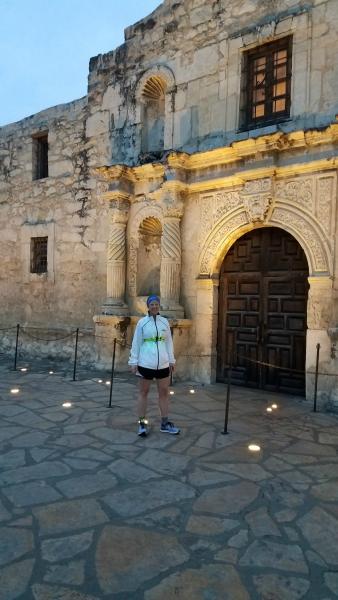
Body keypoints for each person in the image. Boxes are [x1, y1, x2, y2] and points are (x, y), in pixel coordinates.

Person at [128, 294, 180, 437]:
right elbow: (136, 343)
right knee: (143, 393)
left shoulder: (164, 322)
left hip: (163, 364)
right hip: (146, 364)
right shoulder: (142, 323)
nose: (155, 306)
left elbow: (169, 342)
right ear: (148, 307)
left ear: (159, 306)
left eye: (157, 304)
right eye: (152, 304)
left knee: (164, 393)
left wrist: (171, 360)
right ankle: (142, 424)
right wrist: (133, 361)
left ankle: (164, 423)